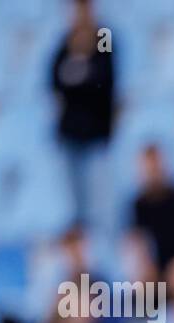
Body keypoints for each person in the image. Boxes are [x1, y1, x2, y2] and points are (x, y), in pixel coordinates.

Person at [49, 0, 116, 234]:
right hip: (70, 137)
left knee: (99, 206)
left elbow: (104, 80)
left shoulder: (104, 37)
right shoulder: (65, 43)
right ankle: (80, 261)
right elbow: (54, 82)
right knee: (74, 208)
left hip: (97, 137)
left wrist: (79, 73)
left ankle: (99, 257)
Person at [129, 144, 174, 283]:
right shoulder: (138, 204)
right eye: (149, 166)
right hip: (155, 269)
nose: (154, 170)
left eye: (156, 164)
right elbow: (138, 241)